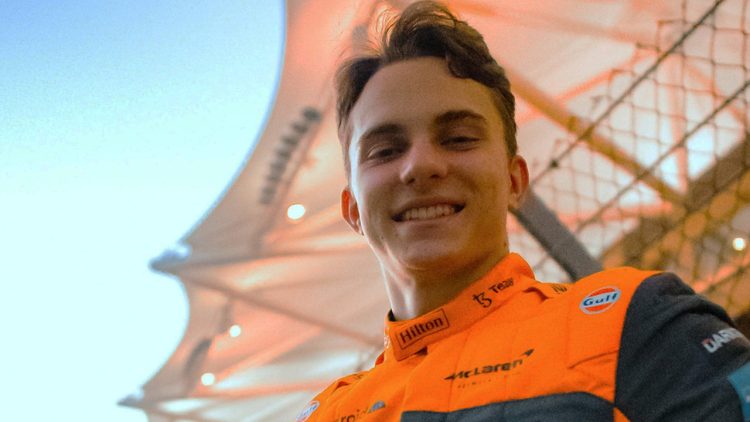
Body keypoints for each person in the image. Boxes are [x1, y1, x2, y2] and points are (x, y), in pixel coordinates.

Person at [296, 2, 750, 420]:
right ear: (352, 209)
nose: (421, 165)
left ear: (515, 181)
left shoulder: (631, 320)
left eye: (458, 138)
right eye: (385, 150)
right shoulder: (327, 412)